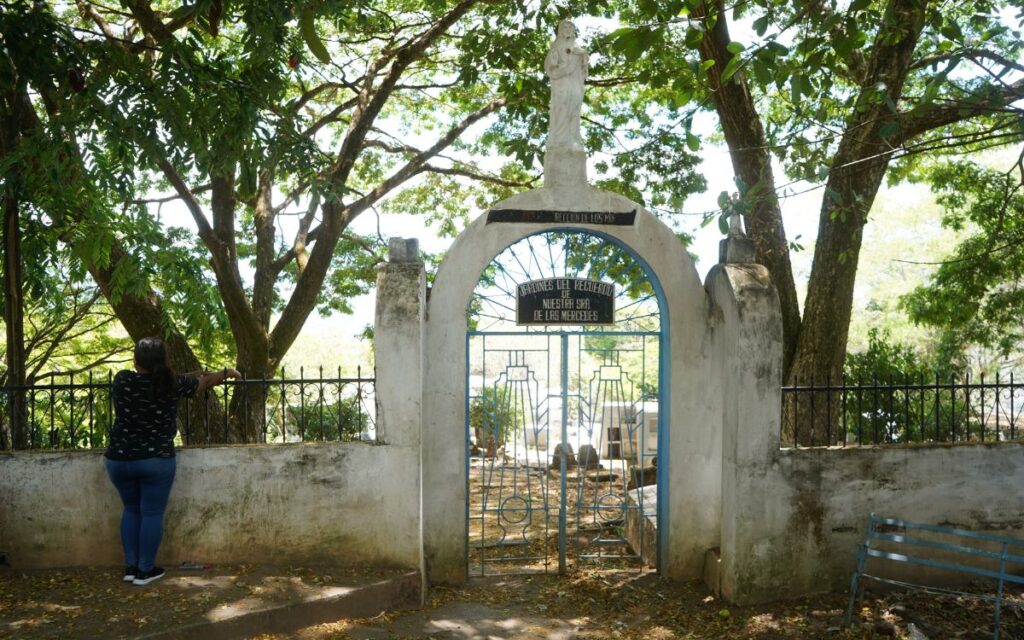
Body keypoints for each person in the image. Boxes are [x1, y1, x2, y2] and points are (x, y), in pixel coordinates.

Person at [104, 337, 240, 586]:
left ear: (136, 360)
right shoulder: (172, 384)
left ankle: (131, 568)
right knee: (152, 513)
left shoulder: (123, 379)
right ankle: (146, 570)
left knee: (131, 510)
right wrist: (226, 373)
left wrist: (196, 373)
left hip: (119, 459)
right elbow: (202, 384)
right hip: (155, 460)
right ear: (164, 360)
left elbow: (172, 378)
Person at [544, 19, 589, 151]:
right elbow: (550, 66)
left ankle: (573, 137)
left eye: (571, 27)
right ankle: (560, 140)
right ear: (560, 30)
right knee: (562, 108)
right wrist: (562, 69)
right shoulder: (556, 45)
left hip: (576, 82)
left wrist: (582, 55)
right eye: (566, 26)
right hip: (562, 83)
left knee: (574, 108)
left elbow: (584, 67)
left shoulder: (577, 45)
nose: (568, 29)